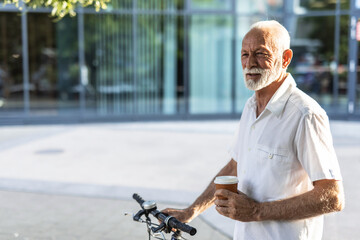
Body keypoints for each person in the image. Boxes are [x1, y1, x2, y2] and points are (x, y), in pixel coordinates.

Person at [163, 20, 345, 240]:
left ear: (285, 59)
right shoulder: (251, 107)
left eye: (261, 53)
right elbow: (234, 166)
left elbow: (333, 197)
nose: (250, 63)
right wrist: (190, 211)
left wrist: (257, 211)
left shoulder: (305, 115)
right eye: (245, 54)